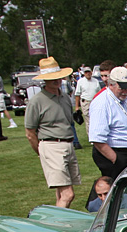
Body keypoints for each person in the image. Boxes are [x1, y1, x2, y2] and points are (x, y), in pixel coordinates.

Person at [24, 56, 80, 209]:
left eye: (58, 77)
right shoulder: (37, 101)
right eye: (52, 78)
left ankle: (58, 222)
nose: (57, 81)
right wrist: (41, 151)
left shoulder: (65, 98)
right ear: (44, 80)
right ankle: (58, 226)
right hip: (51, 145)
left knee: (61, 193)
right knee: (68, 194)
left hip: (68, 144)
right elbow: (30, 132)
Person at [88, 66, 127, 191]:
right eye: (122, 87)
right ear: (111, 84)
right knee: (118, 194)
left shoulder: (122, 99)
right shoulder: (102, 103)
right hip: (114, 154)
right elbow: (97, 139)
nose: (126, 91)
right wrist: (117, 160)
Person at [74, 66, 101, 135]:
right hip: (85, 102)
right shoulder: (80, 81)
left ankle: (97, 134)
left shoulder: (95, 81)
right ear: (84, 73)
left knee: (96, 119)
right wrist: (77, 107)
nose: (88, 73)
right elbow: (77, 94)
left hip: (95, 102)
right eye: (86, 72)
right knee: (88, 120)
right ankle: (91, 136)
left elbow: (99, 92)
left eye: (89, 72)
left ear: (91, 72)